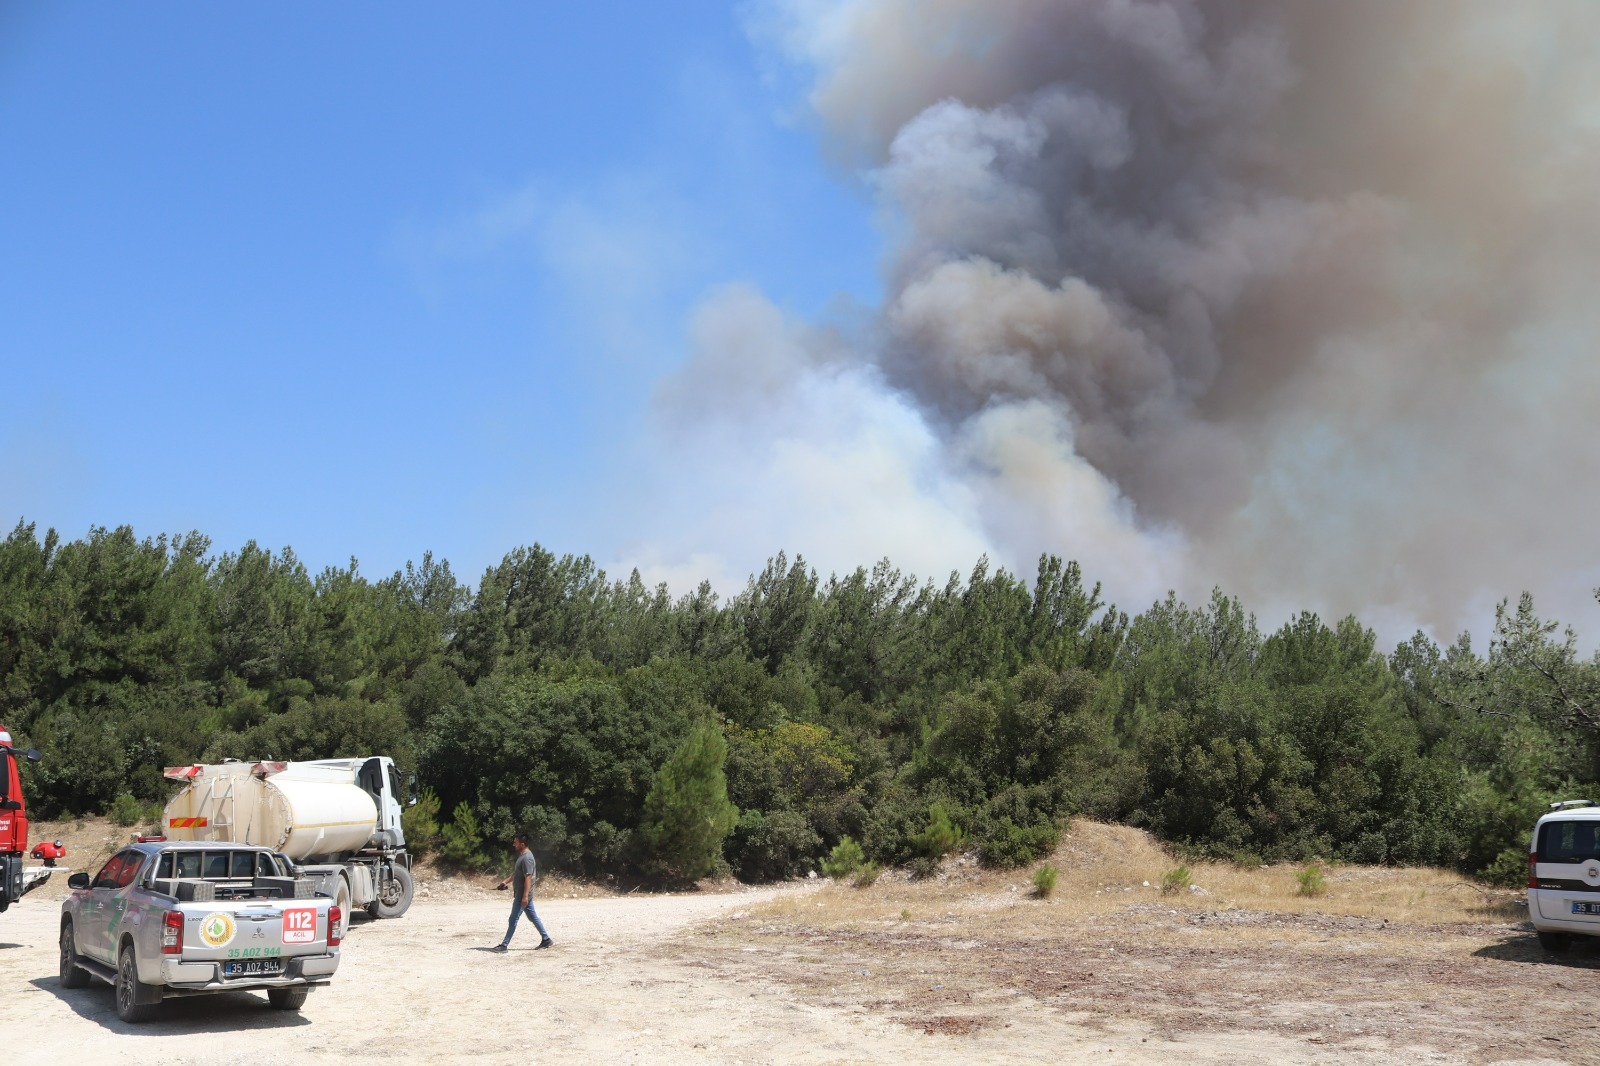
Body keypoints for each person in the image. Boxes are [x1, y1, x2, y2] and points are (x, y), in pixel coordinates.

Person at [492, 831, 552, 952]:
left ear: (522, 844)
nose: (514, 844)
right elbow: (517, 873)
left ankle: (504, 945)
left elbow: (528, 877)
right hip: (521, 894)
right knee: (532, 917)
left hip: (522, 895)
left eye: (516, 842)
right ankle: (546, 939)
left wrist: (525, 896)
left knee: (513, 919)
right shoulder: (522, 856)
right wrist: (505, 881)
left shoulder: (527, 858)